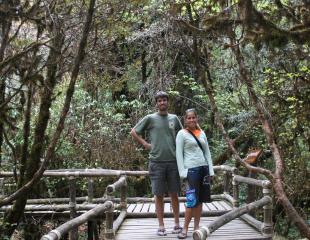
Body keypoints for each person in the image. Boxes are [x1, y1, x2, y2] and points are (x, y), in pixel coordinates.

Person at [130, 91, 183, 236]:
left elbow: (183, 135)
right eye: (159, 100)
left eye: (164, 100)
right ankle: (161, 226)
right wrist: (145, 144)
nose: (162, 103)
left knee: (174, 194)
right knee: (158, 195)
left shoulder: (174, 118)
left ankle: (177, 224)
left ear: (168, 102)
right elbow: (134, 132)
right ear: (157, 103)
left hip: (173, 161)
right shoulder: (150, 118)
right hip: (156, 162)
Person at [175, 108, 215, 239]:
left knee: (201, 200)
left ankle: (196, 228)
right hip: (191, 171)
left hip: (203, 169)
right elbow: (178, 154)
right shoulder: (182, 133)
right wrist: (182, 172)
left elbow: (207, 152)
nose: (191, 120)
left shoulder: (202, 132)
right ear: (185, 120)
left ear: (197, 118)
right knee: (191, 201)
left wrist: (211, 170)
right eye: (189, 118)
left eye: (193, 117)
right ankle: (185, 228)